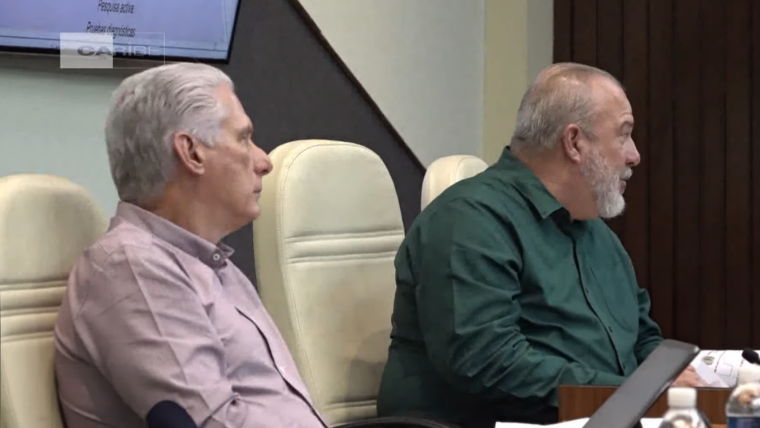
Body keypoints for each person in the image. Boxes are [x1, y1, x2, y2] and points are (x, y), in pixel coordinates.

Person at [376, 63, 701, 428]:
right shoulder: (468, 221)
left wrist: (674, 379)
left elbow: (641, 335)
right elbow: (485, 363)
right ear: (574, 142)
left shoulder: (593, 230)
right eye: (623, 136)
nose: (634, 155)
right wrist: (634, 394)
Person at [53, 63, 327, 428]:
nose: (264, 162)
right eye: (244, 138)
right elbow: (211, 424)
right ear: (192, 152)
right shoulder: (133, 268)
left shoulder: (205, 261)